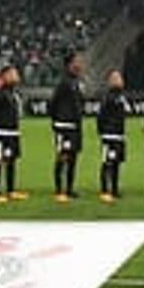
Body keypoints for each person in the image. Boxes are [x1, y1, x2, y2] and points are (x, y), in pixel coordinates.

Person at [49, 51, 87, 202]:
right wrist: (57, 120)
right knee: (63, 155)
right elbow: (53, 103)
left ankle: (69, 188)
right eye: (77, 61)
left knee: (73, 157)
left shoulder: (77, 82)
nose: (80, 64)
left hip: (75, 125)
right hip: (64, 126)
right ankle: (59, 189)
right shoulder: (64, 82)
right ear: (70, 64)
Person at [0, 65, 25, 203]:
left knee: (12, 161)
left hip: (14, 132)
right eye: (13, 74)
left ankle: (11, 190)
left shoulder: (13, 92)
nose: (16, 76)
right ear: (5, 77)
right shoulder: (1, 94)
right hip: (3, 133)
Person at [96, 69, 128, 203]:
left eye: (119, 77)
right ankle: (104, 190)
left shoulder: (122, 96)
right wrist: (103, 131)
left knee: (117, 163)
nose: (118, 80)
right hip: (110, 135)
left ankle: (114, 189)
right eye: (115, 78)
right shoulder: (107, 97)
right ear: (109, 81)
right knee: (107, 163)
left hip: (120, 135)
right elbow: (100, 116)